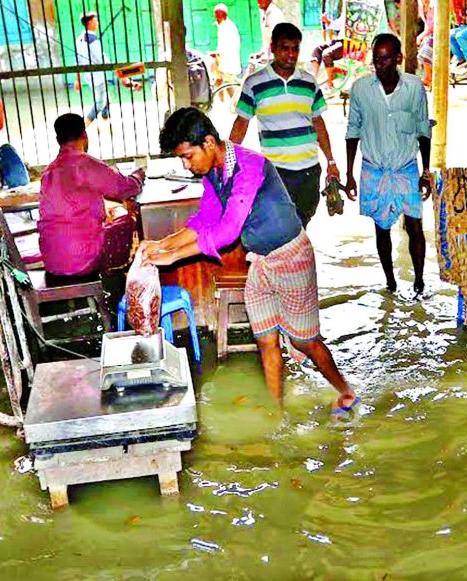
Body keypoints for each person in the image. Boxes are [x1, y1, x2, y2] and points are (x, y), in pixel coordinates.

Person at [142, 107, 357, 414]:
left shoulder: (248, 166)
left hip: (291, 256)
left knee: (304, 342)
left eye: (188, 156)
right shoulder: (213, 174)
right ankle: (275, 410)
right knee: (266, 340)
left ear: (209, 143)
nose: (186, 165)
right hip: (260, 263)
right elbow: (205, 219)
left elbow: (228, 231)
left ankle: (346, 391)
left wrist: (173, 255)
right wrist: (161, 245)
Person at [343, 33, 432, 296]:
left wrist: (426, 172)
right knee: (382, 228)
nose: (378, 65)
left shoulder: (414, 88)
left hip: (406, 167)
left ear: (398, 59)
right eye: (376, 59)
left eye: (384, 59)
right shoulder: (361, 89)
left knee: (415, 226)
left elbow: (423, 130)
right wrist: (349, 174)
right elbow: (352, 131)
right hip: (374, 168)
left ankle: (419, 282)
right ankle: (390, 283)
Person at [231, 23, 339, 228]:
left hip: (309, 170)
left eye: (295, 48)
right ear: (273, 48)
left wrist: (331, 162)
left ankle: (298, 259)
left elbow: (318, 123)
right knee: (281, 226)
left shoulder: (309, 82)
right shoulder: (254, 83)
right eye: (284, 48)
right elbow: (241, 123)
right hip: (276, 171)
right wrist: (225, 160)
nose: (290, 54)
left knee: (302, 224)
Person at [37, 113, 145, 283]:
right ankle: (119, 283)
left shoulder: (49, 172)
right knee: (127, 221)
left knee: (108, 217)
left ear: (58, 140)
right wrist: (138, 175)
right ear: (84, 136)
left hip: (52, 260)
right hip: (82, 260)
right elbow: (126, 189)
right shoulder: (86, 164)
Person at [75, 12, 139, 127]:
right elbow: (102, 60)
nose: (98, 23)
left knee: (106, 99)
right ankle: (82, 128)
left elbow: (77, 61)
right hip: (97, 77)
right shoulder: (93, 40)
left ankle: (105, 122)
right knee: (100, 103)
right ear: (90, 23)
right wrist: (121, 76)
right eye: (96, 21)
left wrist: (77, 80)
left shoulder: (79, 39)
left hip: (88, 77)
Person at [212, 3, 242, 102]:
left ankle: (235, 105)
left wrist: (218, 54)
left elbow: (228, 46)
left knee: (228, 84)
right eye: (215, 15)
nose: (216, 18)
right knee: (218, 82)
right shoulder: (222, 26)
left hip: (228, 61)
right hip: (222, 60)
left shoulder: (229, 28)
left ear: (224, 15)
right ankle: (222, 104)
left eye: (218, 15)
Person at [309, 13, 345, 89]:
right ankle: (314, 79)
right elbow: (338, 24)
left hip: (349, 44)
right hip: (338, 41)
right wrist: (327, 21)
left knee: (327, 54)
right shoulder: (349, 8)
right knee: (317, 50)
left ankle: (330, 83)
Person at [416, 0, 435, 89]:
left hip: (438, 33)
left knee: (424, 53)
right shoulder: (421, 6)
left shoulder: (434, 6)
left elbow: (432, 26)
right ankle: (428, 78)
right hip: (429, 33)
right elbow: (427, 25)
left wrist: (421, 36)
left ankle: (429, 79)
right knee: (422, 51)